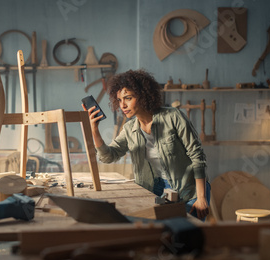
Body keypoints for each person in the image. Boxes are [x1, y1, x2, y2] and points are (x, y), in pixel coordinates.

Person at [82, 69, 210, 220]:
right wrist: (94, 129)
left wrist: (201, 197)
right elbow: (108, 156)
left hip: (189, 191)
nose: (122, 105)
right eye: (119, 100)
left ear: (143, 96)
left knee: (189, 238)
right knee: (163, 238)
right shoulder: (130, 129)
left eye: (128, 98)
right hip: (157, 192)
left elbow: (197, 156)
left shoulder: (172, 116)